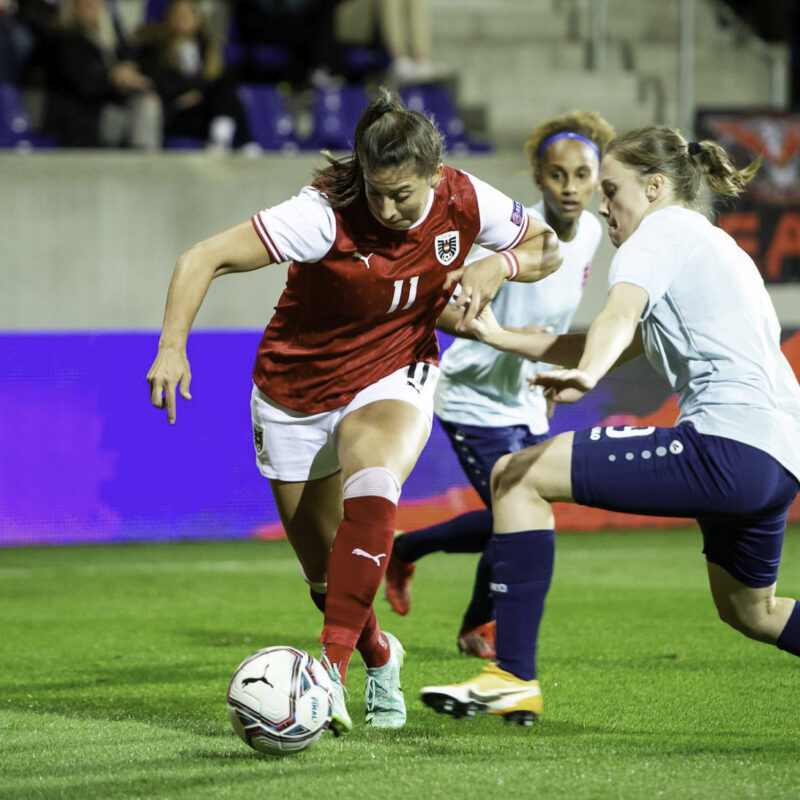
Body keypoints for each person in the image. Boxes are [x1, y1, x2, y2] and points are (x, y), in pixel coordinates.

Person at [147, 87, 562, 735]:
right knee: (323, 574)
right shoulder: (320, 216)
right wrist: (173, 347)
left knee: (375, 480)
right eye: (377, 193)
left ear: (434, 175)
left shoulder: (464, 198)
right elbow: (202, 257)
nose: (389, 209)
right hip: (293, 393)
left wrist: (501, 264)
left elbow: (546, 247)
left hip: (395, 370)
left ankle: (328, 672)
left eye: (403, 195)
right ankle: (379, 654)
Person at [419, 124, 800, 726]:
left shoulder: (659, 231)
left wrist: (589, 374)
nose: (602, 204)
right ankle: (508, 677)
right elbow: (609, 338)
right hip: (778, 460)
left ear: (654, 187)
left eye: (611, 189)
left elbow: (617, 317)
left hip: (726, 444)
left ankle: (510, 677)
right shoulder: (708, 244)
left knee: (516, 475)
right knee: (753, 612)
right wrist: (499, 336)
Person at [384, 111, 615, 659]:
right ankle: (474, 625)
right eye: (557, 174)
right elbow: (438, 304)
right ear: (538, 177)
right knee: (516, 514)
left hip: (525, 398)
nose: (570, 186)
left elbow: (557, 317)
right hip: (473, 397)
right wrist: (506, 337)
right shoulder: (513, 235)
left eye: (582, 175)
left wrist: (546, 377)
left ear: (598, 180)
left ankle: (408, 552)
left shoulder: (591, 234)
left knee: (515, 514)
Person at [44, 0, 162, 148]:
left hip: (108, 107)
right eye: (86, 6)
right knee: (130, 111)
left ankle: (145, 155)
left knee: (148, 101)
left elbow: (128, 59)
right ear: (73, 9)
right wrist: (115, 78)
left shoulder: (108, 35)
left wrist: (129, 73)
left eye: (96, 6)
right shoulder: (63, 39)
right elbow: (85, 84)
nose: (92, 10)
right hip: (80, 114)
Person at [137, 0, 251, 149]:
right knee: (221, 93)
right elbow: (160, 83)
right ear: (169, 18)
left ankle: (226, 139)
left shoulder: (207, 50)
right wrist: (192, 92)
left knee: (224, 86)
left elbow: (219, 80)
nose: (182, 19)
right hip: (176, 111)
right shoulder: (157, 50)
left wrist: (199, 93)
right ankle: (238, 140)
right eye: (177, 14)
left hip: (205, 109)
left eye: (187, 14)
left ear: (197, 19)